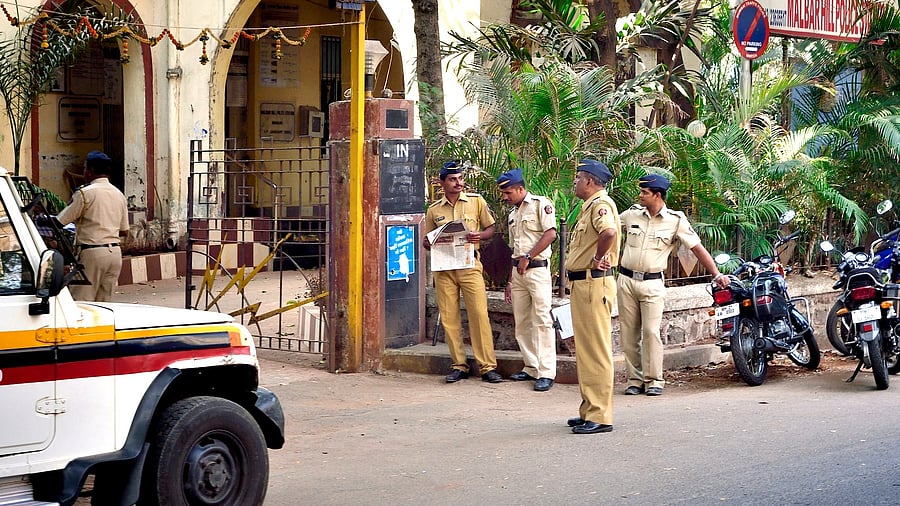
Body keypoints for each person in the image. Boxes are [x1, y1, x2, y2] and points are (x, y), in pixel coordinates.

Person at [617, 173, 729, 397]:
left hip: (652, 283)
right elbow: (608, 228)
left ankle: (654, 380)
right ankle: (634, 380)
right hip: (626, 280)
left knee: (651, 332)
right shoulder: (631, 214)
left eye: (645, 192)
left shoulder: (675, 220)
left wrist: (716, 274)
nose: (640, 195)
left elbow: (696, 248)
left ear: (657, 195)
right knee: (629, 334)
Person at [423, 161, 502, 383]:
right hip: (444, 269)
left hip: (469, 265)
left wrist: (479, 235)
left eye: (460, 178)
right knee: (449, 318)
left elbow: (490, 229)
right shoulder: (434, 210)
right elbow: (428, 239)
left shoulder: (476, 202)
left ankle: (487, 367)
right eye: (453, 179)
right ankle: (459, 365)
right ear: (442, 183)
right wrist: (427, 242)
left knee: (479, 315)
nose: (458, 183)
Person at [564, 159, 620, 434]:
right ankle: (589, 409)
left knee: (595, 351)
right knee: (586, 351)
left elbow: (608, 231)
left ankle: (600, 415)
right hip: (584, 284)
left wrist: (598, 257)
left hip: (593, 282)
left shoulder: (600, 205)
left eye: (578, 178)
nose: (574, 183)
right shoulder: (589, 207)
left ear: (589, 181)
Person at [497, 168, 558, 392]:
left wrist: (529, 256)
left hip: (537, 269)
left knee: (542, 320)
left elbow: (551, 234)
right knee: (522, 321)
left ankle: (546, 372)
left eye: (508, 192)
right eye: (503, 193)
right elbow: (514, 249)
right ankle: (531, 366)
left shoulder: (541, 204)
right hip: (518, 273)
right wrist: (510, 281)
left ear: (520, 189)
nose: (505, 197)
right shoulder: (513, 214)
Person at [57, 150, 129, 302]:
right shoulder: (119, 194)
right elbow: (124, 231)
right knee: (105, 303)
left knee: (81, 301)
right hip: (114, 255)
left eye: (85, 168)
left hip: (92, 253)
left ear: (90, 171)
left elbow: (61, 221)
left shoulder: (85, 193)